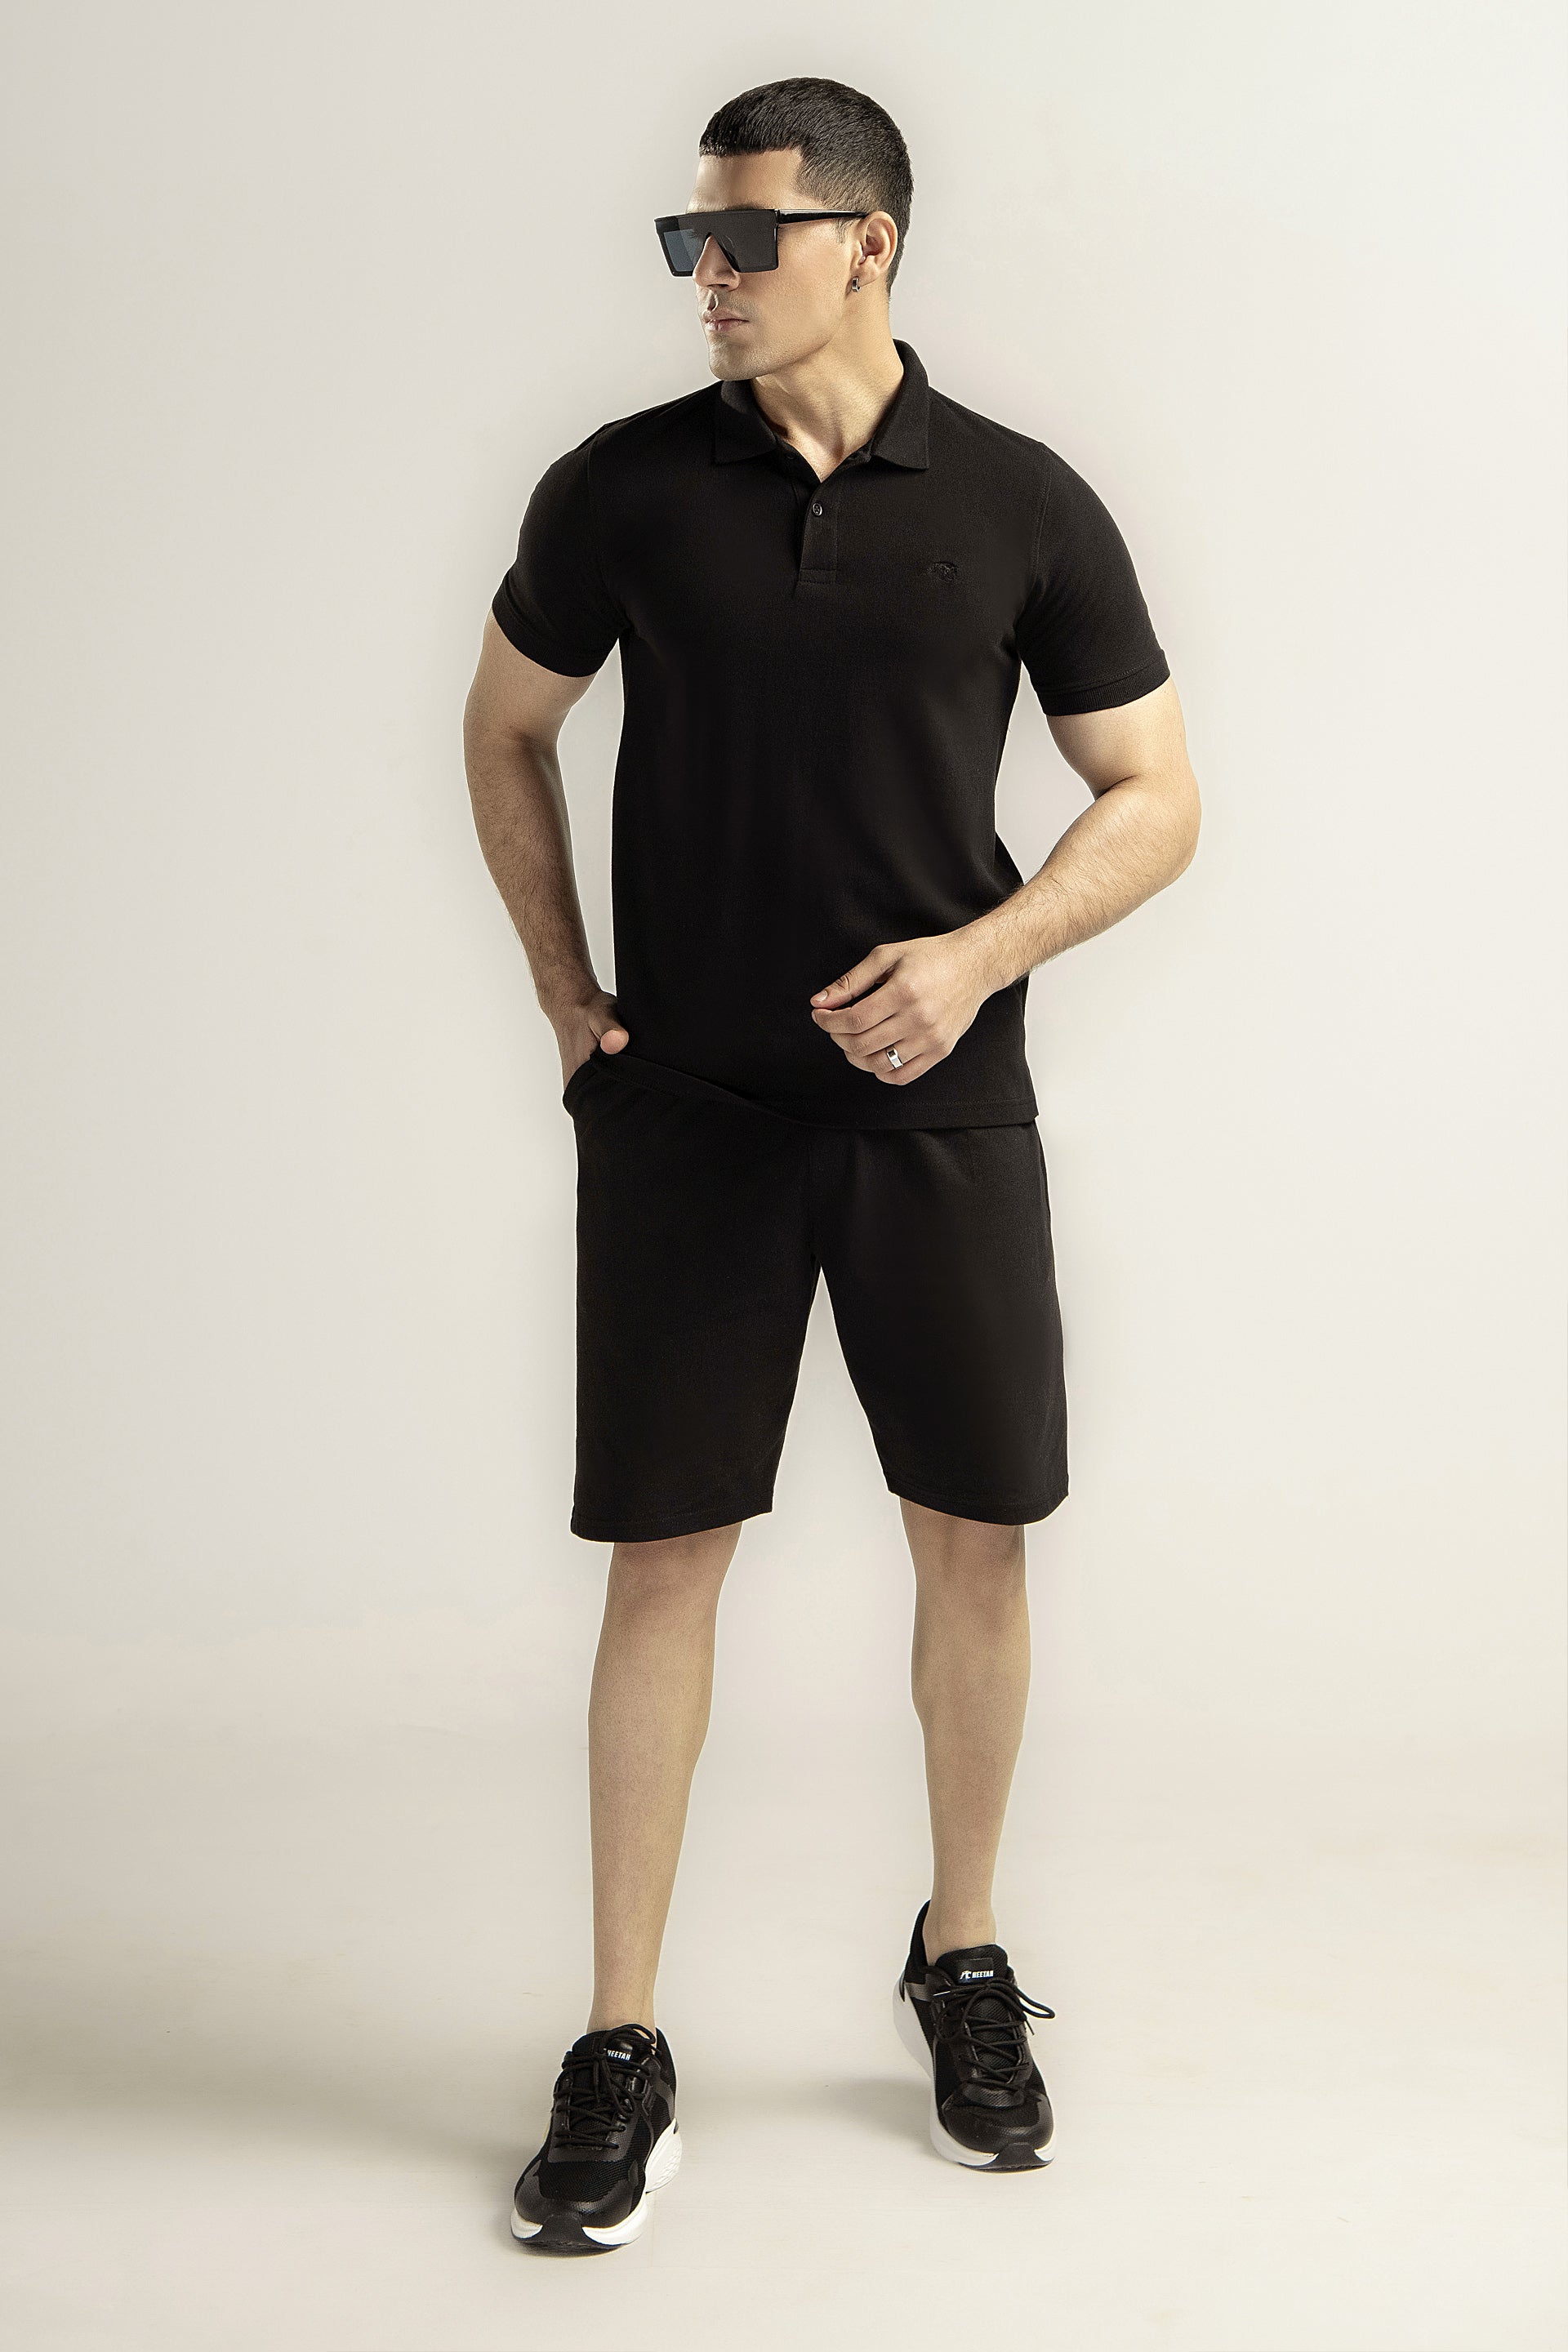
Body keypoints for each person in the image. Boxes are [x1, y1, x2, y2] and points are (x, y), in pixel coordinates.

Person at [462, 74, 1200, 2256]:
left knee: (976, 1537)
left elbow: (1156, 793)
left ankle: (962, 1953)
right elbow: (505, 723)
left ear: (869, 245)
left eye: (745, 239)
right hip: (685, 1115)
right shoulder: (620, 490)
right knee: (661, 1559)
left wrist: (978, 958)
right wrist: (564, 992)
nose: (706, 276)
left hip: (936, 1116)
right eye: (688, 241)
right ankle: (620, 2035)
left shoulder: (1023, 503)